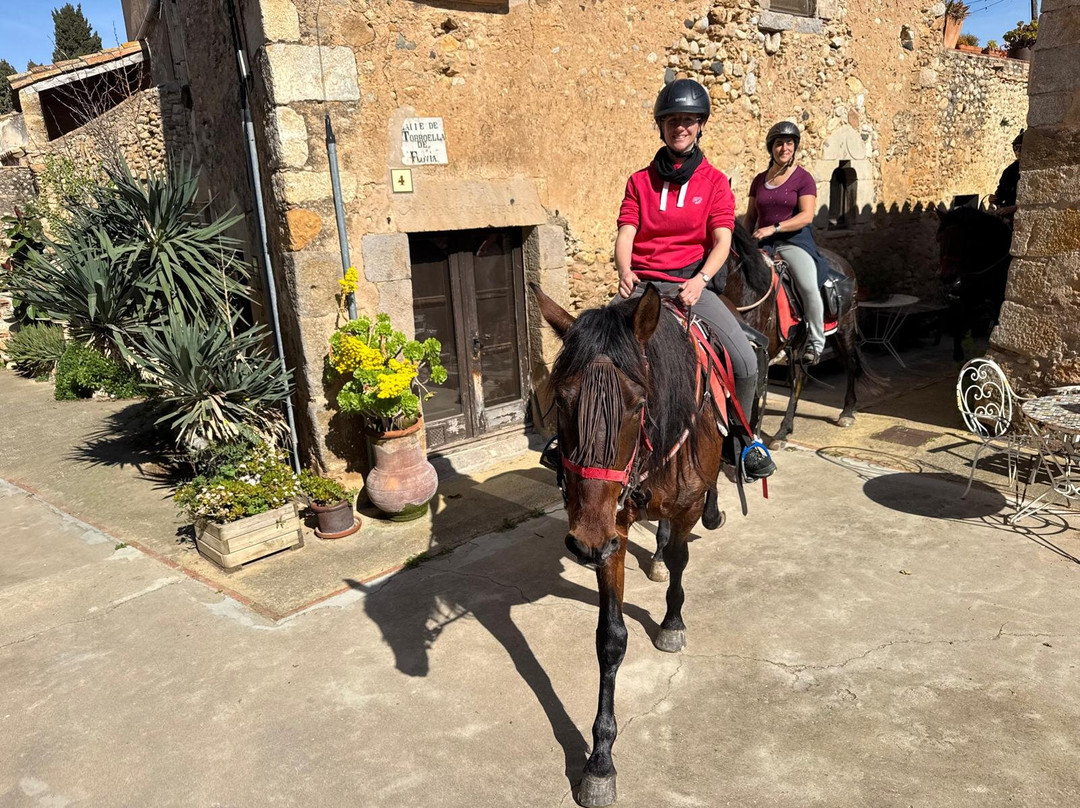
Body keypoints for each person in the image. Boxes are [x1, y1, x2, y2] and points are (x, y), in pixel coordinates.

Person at [615, 79, 774, 480]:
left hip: (689, 286)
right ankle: (579, 441)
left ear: (700, 125)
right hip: (642, 289)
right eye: (671, 121)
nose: (680, 127)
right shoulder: (639, 181)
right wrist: (624, 271)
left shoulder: (715, 182)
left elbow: (722, 241)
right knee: (593, 353)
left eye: (688, 120)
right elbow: (626, 235)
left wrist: (702, 279)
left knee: (745, 358)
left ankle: (742, 439)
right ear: (661, 127)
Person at [745, 120, 831, 365]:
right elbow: (751, 217)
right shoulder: (759, 180)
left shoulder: (804, 179)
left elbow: (806, 216)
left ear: (795, 147)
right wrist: (742, 243)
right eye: (780, 143)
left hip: (793, 243)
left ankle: (816, 340)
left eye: (790, 143)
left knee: (807, 285)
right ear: (771, 147)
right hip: (763, 245)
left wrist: (774, 228)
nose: (785, 148)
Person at [989, 129, 1023, 223]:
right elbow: (1001, 192)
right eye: (1015, 148)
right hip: (1005, 218)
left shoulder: (1035, 171)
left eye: (1020, 148)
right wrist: (994, 199)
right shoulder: (1009, 171)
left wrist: (1014, 208)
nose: (1017, 151)